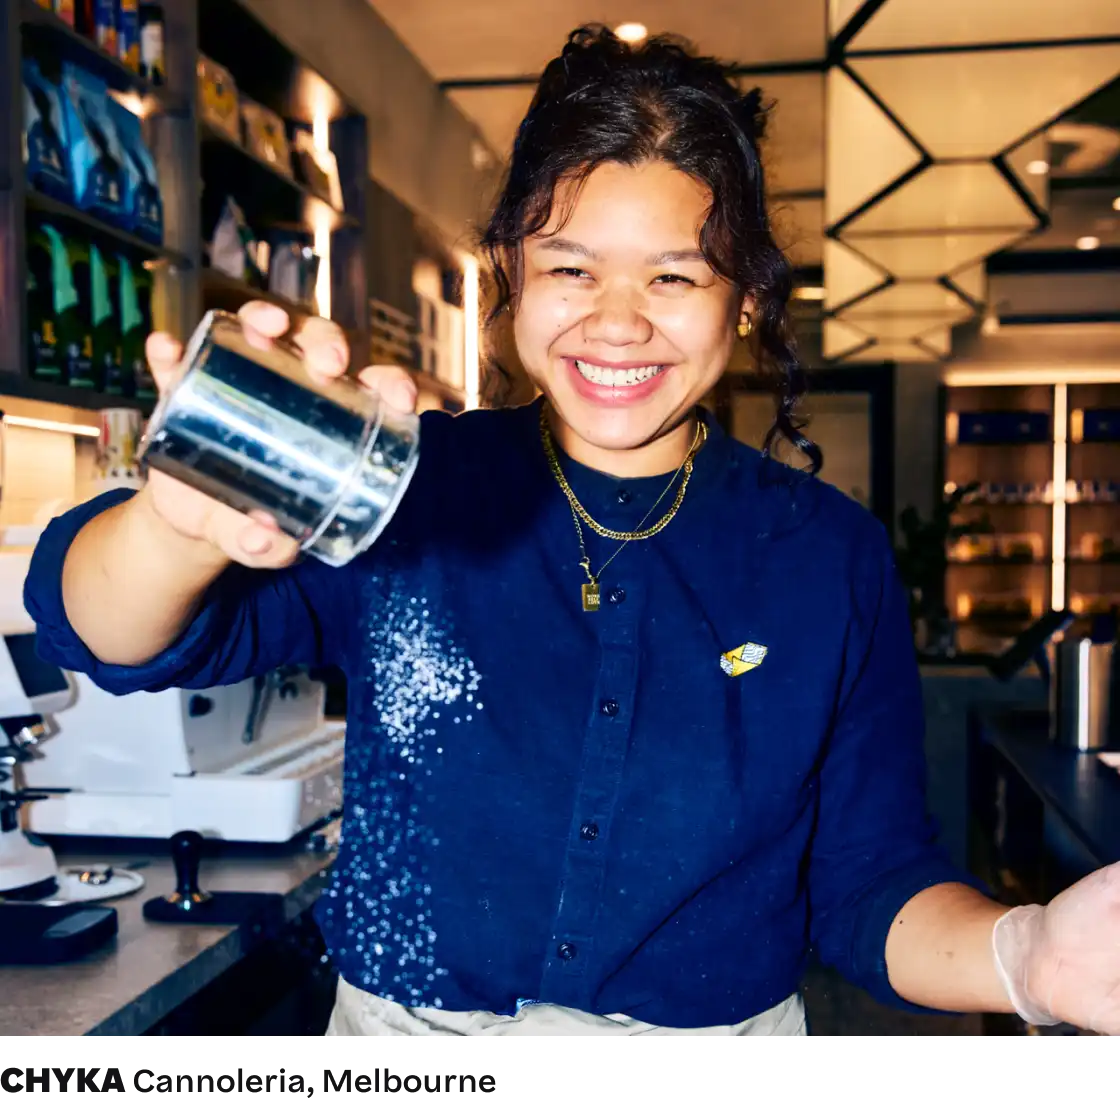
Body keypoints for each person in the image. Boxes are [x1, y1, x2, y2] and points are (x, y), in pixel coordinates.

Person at [25, 26, 1120, 1040]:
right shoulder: (414, 486)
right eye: (570, 267)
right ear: (507, 271)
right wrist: (178, 522)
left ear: (744, 301)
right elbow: (106, 635)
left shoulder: (827, 556)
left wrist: (1025, 956)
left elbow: (868, 882)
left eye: (675, 275)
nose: (617, 319)